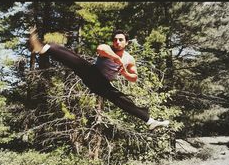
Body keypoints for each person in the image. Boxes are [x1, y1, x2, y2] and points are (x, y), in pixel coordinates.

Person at [29, 27, 169, 130]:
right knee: (77, 60)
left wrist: (125, 73)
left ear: (126, 42)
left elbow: (134, 78)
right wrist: (115, 58)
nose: (117, 42)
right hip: (92, 74)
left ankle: (150, 121)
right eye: (115, 40)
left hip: (102, 85)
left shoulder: (129, 58)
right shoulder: (108, 49)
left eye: (121, 40)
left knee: (120, 98)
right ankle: (44, 48)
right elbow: (101, 48)